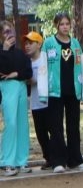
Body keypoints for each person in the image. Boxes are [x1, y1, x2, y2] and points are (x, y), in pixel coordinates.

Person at [41, 13, 83, 173]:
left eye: (67, 24)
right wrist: (43, 91)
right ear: (56, 25)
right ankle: (58, 161)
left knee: (73, 126)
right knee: (56, 128)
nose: (64, 27)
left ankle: (75, 159)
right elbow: (43, 68)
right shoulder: (48, 43)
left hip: (72, 91)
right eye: (61, 24)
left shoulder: (75, 43)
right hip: (55, 92)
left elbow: (81, 67)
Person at [0, 22, 33, 175]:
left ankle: (21, 160)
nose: (10, 35)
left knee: (22, 124)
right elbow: (3, 69)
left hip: (20, 86)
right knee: (11, 123)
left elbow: (28, 71)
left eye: (11, 31)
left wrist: (16, 74)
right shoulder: (1, 52)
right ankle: (7, 161)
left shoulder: (21, 53)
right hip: (7, 88)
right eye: (6, 32)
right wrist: (5, 51)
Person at [24, 32, 52, 170]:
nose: (27, 46)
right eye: (26, 43)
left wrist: (34, 80)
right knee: (40, 133)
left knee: (53, 130)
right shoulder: (26, 62)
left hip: (48, 102)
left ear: (39, 44)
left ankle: (58, 156)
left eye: (30, 43)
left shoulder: (45, 59)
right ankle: (48, 158)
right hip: (35, 103)